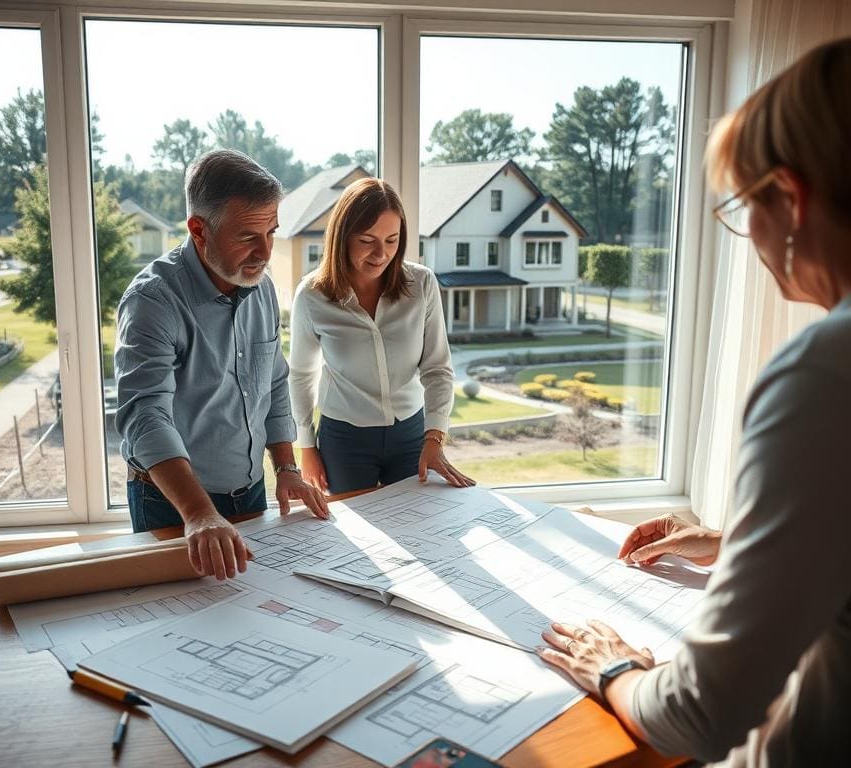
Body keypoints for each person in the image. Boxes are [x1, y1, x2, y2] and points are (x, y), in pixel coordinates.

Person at [535, 38, 851, 765]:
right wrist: (742, 541)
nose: (749, 237)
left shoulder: (824, 372)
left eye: (744, 206)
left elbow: (700, 716)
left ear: (793, 200)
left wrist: (612, 666)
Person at [115, 150, 329, 582]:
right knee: (181, 622)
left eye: (271, 232)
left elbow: (272, 384)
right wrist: (198, 514)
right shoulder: (152, 302)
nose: (265, 251)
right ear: (199, 229)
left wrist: (286, 467)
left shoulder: (262, 288)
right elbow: (145, 416)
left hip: (249, 492)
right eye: (248, 236)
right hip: (173, 502)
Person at [289, 178, 474, 494]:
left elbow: (437, 369)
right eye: (367, 240)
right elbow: (300, 376)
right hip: (344, 439)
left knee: (417, 527)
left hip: (411, 434)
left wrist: (435, 437)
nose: (381, 253)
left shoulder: (422, 284)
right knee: (354, 537)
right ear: (342, 238)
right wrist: (307, 447)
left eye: (392, 240)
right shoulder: (311, 295)